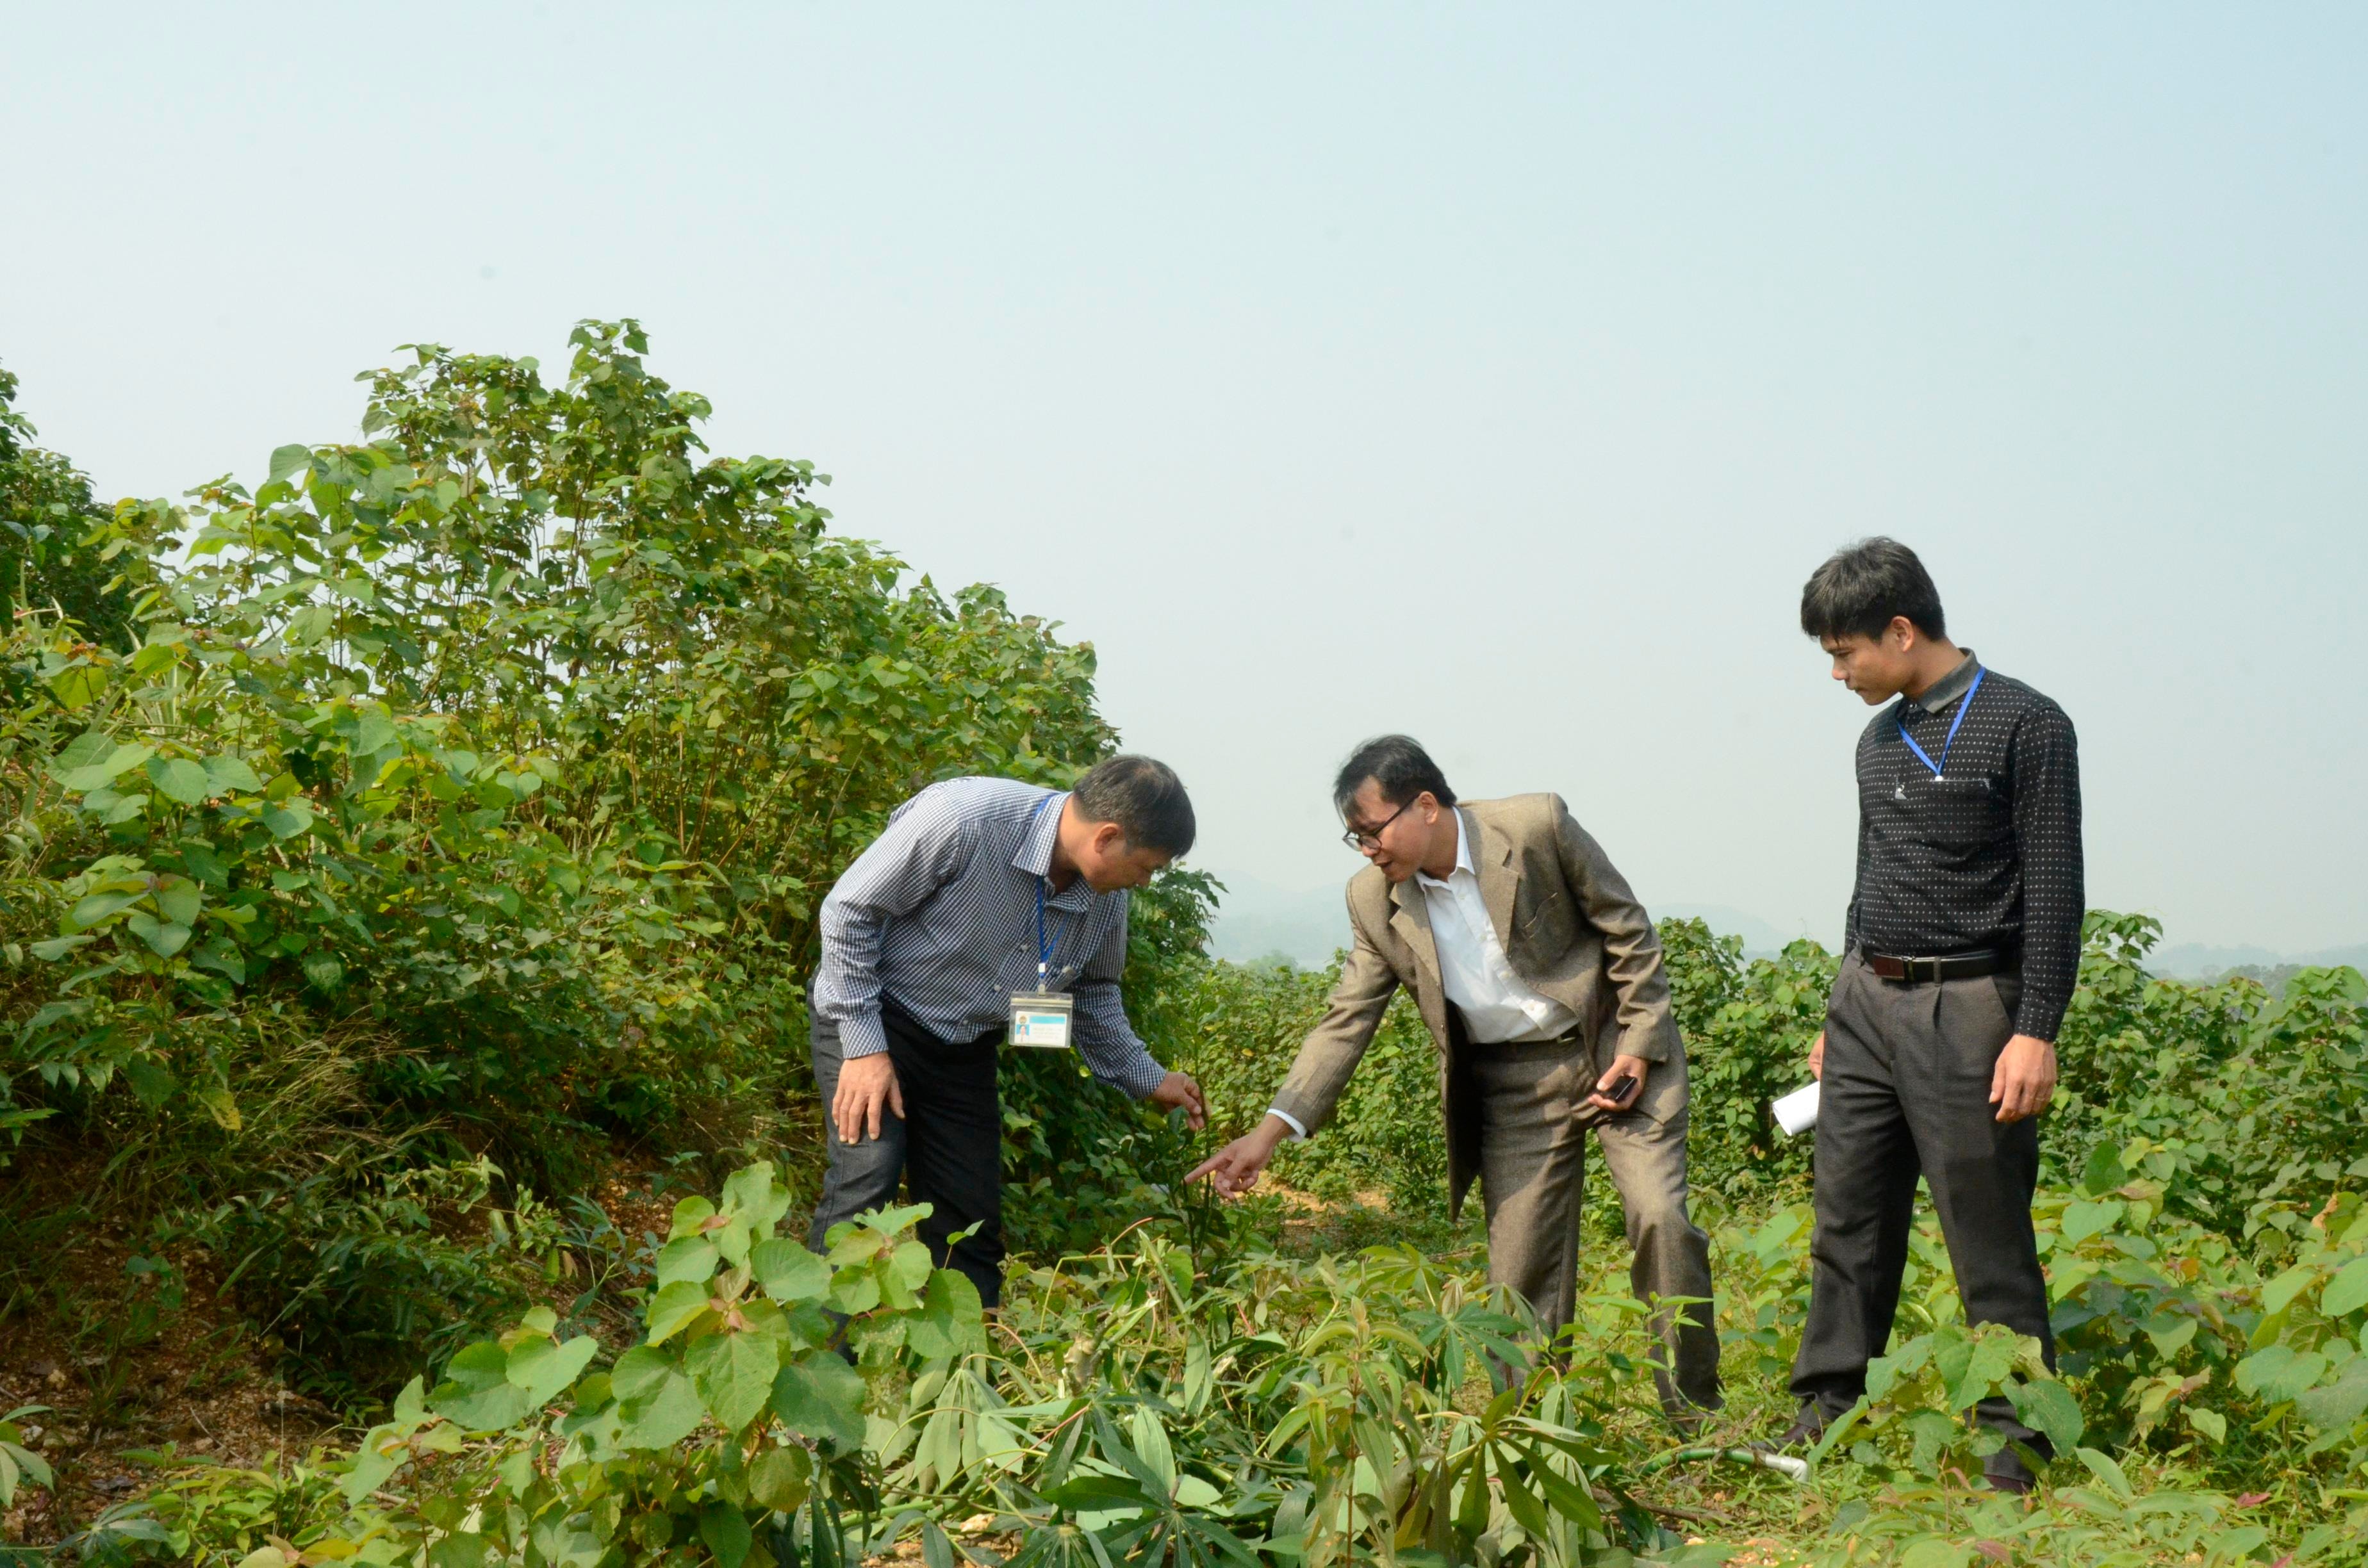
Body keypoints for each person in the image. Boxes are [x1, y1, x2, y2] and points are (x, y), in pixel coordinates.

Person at [1188, 737, 1720, 1419]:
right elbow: (1346, 1018)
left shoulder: (1535, 826)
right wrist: (1269, 1132)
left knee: (1660, 1219)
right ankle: (1529, 1430)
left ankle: (1695, 1414)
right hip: (1513, 1085)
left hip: (1614, 1054)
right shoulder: (1373, 900)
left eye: (1372, 831)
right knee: (1519, 1272)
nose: (1368, 851)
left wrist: (1641, 1046)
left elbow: (1628, 929)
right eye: (1353, 839)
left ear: (1428, 806)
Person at [1775, 538, 2082, 1495]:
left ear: (1901, 631)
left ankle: (2019, 1442)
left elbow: (2057, 890)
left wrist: (2036, 1027)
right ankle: (1824, 1415)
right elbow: (1871, 881)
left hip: (1972, 1006)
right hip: (1868, 1001)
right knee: (1849, 1220)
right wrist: (1841, 998)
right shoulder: (1876, 742)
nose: (1837, 673)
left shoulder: (2027, 725)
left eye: (1845, 652)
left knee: (1984, 1231)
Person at [807, 756, 1209, 1307]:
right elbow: (849, 912)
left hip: (964, 1046)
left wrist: (1149, 1079)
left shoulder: (1106, 898)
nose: (1145, 880)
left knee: (970, 1217)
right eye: (1148, 867)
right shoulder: (964, 819)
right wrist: (865, 1049)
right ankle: (821, 1362)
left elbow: (1093, 994)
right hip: (873, 1015)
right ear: (1108, 837)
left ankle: (966, 1379)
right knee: (866, 1181)